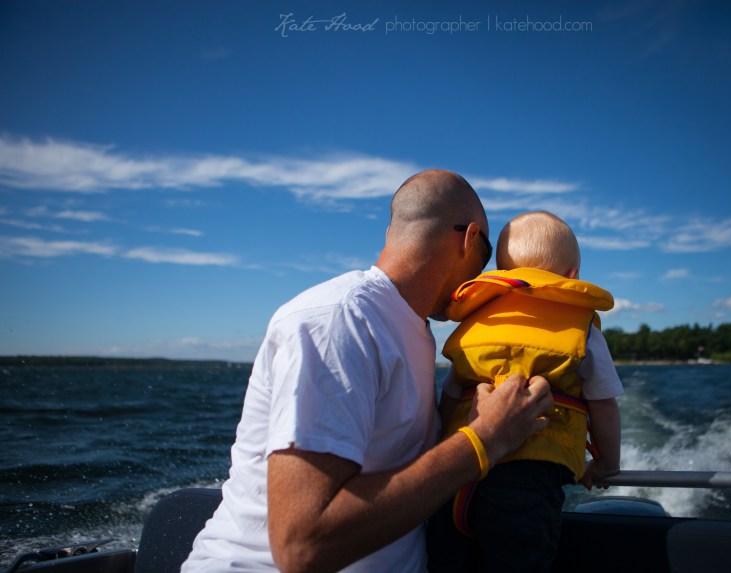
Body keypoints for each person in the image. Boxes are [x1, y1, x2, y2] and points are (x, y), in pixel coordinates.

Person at [181, 170, 554, 573]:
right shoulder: (339, 321)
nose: (484, 278)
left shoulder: (410, 330)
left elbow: (400, 457)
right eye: (486, 258)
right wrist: (485, 439)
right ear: (469, 239)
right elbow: (302, 547)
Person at [427, 210, 623, 572]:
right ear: (572, 277)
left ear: (503, 274)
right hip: (528, 482)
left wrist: (441, 446)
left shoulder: (477, 322)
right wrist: (607, 463)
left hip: (457, 476)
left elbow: (450, 398)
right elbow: (604, 406)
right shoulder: (582, 330)